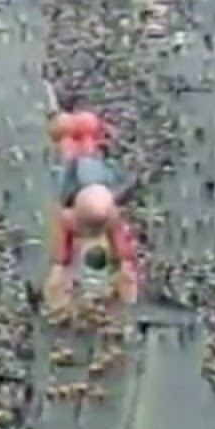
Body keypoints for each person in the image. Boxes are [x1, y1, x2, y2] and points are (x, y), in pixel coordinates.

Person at [43, 110, 139, 309]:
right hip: (93, 186)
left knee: (71, 146)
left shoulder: (71, 216)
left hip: (86, 191)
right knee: (82, 142)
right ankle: (124, 277)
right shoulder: (108, 211)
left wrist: (58, 267)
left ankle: (60, 289)